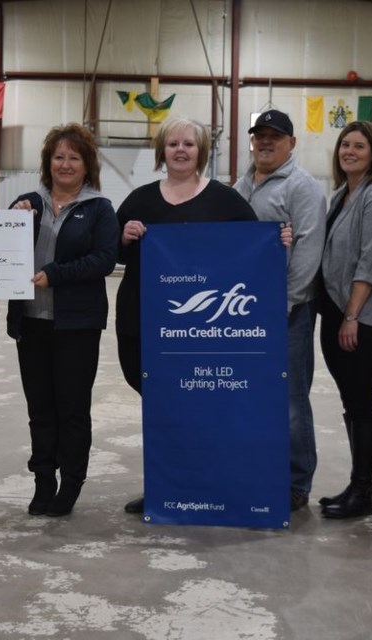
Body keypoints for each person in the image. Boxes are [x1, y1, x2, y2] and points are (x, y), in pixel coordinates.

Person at [116, 116, 258, 515]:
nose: (180, 150)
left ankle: (207, 484)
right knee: (159, 407)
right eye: (173, 143)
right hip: (143, 324)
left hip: (201, 331)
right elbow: (110, 252)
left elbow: (253, 249)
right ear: (162, 151)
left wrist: (278, 239)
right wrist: (123, 237)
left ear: (201, 152)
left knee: (199, 408)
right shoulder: (139, 200)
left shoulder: (226, 200)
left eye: (189, 144)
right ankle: (166, 486)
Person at [7, 124, 119, 517]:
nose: (65, 164)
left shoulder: (99, 208)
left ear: (87, 165)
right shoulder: (27, 202)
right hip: (31, 321)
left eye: (74, 157)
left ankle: (71, 482)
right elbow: (0, 250)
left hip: (77, 325)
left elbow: (106, 259)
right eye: (58, 157)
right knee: (40, 407)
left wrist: (56, 274)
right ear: (47, 163)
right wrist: (12, 218)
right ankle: (42, 480)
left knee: (72, 408)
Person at [233, 109, 326, 512]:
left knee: (289, 400)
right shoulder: (242, 184)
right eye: (260, 136)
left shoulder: (303, 187)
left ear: (291, 143)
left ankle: (296, 482)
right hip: (243, 309)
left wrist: (284, 304)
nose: (266, 142)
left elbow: (307, 251)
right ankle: (258, 470)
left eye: (275, 136)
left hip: (286, 313)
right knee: (251, 396)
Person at [315, 121, 372, 519]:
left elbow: (369, 261)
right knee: (351, 400)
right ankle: (363, 484)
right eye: (345, 144)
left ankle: (362, 489)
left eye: (359, 146)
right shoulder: (341, 196)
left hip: (359, 316)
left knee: (361, 402)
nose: (349, 151)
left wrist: (352, 315)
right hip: (334, 310)